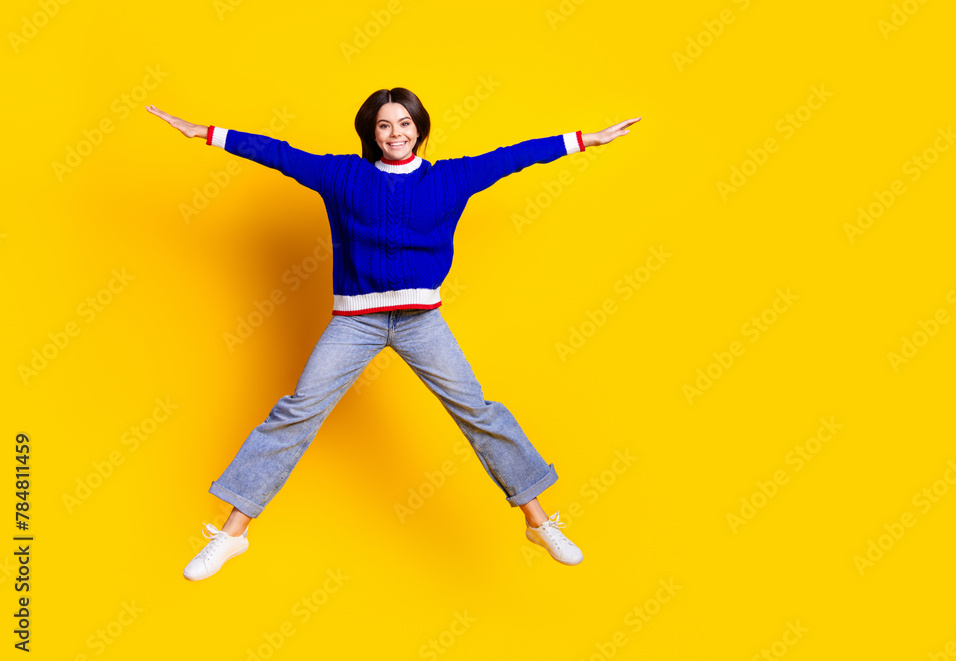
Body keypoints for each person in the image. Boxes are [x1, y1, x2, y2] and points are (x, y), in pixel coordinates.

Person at [146, 88, 640, 580]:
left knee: (477, 412)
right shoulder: (344, 176)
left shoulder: (450, 178)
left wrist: (585, 140)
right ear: (372, 133)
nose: (395, 133)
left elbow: (514, 157)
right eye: (385, 125)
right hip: (354, 322)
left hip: (421, 321)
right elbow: (279, 154)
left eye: (404, 124)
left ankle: (539, 523)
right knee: (296, 412)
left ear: (420, 131)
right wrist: (206, 134)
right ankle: (233, 535)